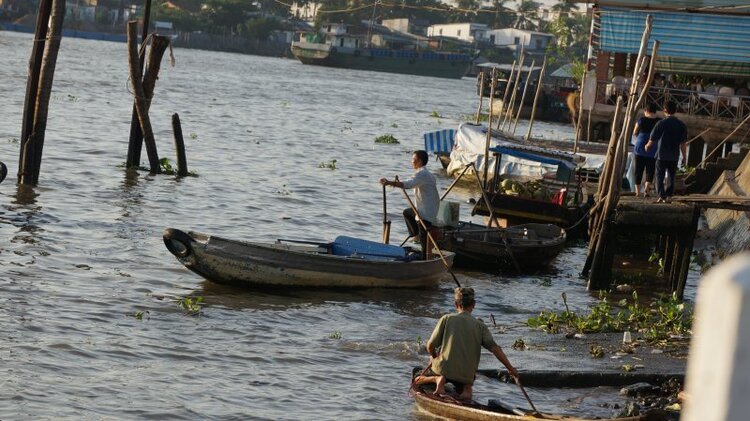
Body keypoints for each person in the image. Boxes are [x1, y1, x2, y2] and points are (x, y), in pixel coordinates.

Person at [414, 287, 519, 401]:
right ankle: (467, 390)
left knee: (416, 377)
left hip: (444, 369)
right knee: (467, 380)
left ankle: (437, 380)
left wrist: (434, 357)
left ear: (456, 304)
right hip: (466, 376)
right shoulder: (480, 326)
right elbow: (496, 350)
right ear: (473, 304)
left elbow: (430, 346)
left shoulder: (447, 319)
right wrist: (511, 369)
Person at [380, 150, 439, 259]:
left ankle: (423, 260)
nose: (411, 162)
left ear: (420, 161)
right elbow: (411, 183)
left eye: (413, 159)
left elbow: (408, 184)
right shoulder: (429, 175)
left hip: (424, 213)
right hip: (427, 210)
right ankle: (415, 235)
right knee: (407, 213)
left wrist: (390, 183)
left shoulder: (422, 174)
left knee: (424, 248)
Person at [646, 101, 688, 203]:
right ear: (676, 110)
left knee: (659, 176)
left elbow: (652, 138)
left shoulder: (661, 123)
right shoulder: (681, 125)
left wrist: (647, 146)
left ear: (665, 110)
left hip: (662, 154)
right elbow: (683, 143)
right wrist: (684, 157)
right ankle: (669, 195)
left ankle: (661, 196)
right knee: (671, 176)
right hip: (674, 155)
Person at [632, 103, 661, 197]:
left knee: (638, 170)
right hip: (653, 148)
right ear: (655, 111)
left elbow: (635, 132)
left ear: (646, 111)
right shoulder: (659, 121)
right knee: (650, 170)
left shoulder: (641, 119)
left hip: (640, 147)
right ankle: (646, 190)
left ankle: (637, 192)